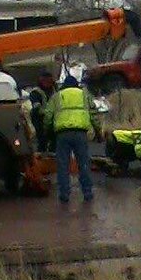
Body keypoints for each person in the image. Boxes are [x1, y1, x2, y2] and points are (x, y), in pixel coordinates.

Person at [43, 75, 99, 203]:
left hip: (62, 134)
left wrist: (47, 131)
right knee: (83, 163)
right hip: (80, 134)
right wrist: (98, 131)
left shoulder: (57, 96)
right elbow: (94, 114)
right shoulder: (84, 95)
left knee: (63, 165)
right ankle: (87, 192)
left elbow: (48, 115)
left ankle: (64, 194)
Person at [27, 70, 56, 152]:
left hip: (52, 119)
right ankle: (42, 156)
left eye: (49, 81)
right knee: (42, 140)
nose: (48, 83)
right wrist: (48, 113)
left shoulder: (54, 91)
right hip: (39, 119)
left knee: (55, 139)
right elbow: (37, 108)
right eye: (45, 81)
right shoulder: (36, 92)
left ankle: (51, 154)